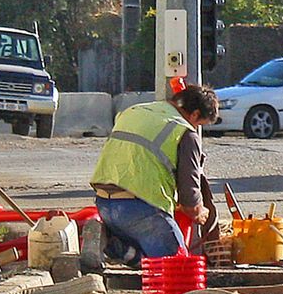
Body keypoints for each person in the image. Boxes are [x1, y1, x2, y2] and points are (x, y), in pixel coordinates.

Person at [87, 83, 221, 266]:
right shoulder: (184, 132)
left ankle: (120, 248)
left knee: (150, 259)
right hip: (141, 210)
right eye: (199, 124)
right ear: (195, 114)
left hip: (105, 204)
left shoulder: (133, 111)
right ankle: (124, 250)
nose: (196, 128)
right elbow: (189, 200)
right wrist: (200, 211)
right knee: (177, 266)